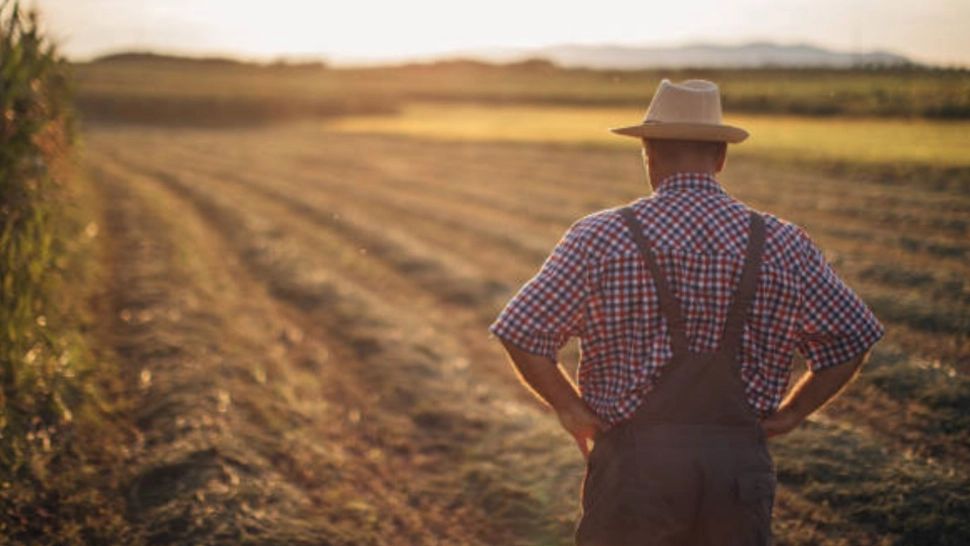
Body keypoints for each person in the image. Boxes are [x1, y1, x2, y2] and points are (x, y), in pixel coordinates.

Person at [488, 79, 884, 545]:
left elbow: (522, 331)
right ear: (721, 157)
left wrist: (570, 409)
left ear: (648, 154)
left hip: (635, 470)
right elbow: (852, 337)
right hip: (737, 471)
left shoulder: (599, 236)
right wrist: (792, 414)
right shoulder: (783, 242)